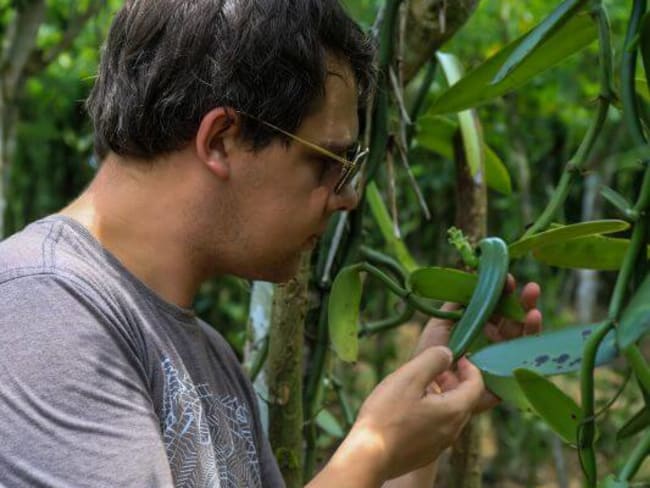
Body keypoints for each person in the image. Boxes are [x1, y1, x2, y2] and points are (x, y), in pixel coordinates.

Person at [0, 0, 542, 487]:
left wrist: (424, 416)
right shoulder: (40, 310)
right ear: (221, 140)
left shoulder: (210, 359)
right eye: (329, 162)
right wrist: (370, 452)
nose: (347, 197)